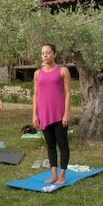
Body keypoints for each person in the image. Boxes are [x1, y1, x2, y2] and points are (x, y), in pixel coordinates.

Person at [31, 43, 72, 186]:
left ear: (54, 54)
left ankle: (63, 174)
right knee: (50, 145)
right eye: (42, 53)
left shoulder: (63, 71)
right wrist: (34, 115)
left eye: (48, 53)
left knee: (62, 144)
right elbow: (35, 95)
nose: (45, 55)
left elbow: (67, 94)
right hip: (44, 114)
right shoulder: (37, 73)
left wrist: (66, 113)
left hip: (59, 113)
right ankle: (53, 174)